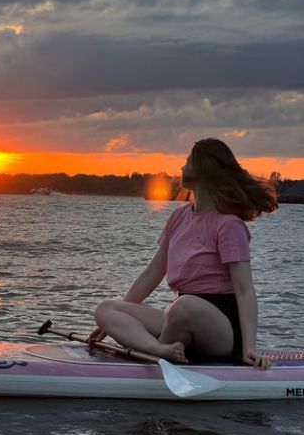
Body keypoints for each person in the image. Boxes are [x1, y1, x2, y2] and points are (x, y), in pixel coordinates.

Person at [89, 138, 278, 369]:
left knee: (183, 306)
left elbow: (244, 289)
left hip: (221, 329)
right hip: (179, 316)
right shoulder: (178, 217)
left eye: (188, 161)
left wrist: (249, 348)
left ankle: (150, 346)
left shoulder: (228, 225)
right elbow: (152, 273)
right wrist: (112, 324)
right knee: (106, 308)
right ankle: (160, 349)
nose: (182, 167)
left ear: (204, 168)